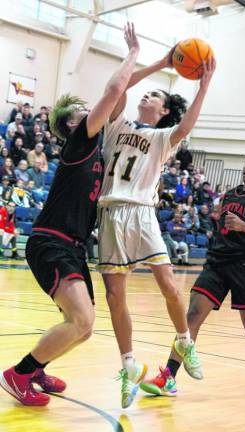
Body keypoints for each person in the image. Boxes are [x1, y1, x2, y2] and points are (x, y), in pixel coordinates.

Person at [0, 23, 140, 407]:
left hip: (72, 246)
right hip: (53, 241)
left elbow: (120, 96)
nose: (95, 111)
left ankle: (37, 368)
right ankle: (19, 374)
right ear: (72, 124)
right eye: (85, 111)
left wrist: (160, 62)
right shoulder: (80, 142)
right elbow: (114, 91)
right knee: (82, 321)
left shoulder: (94, 146)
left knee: (83, 329)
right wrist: (132, 53)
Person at [141, 149, 245, 398]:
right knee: (192, 316)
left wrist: (244, 226)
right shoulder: (230, 196)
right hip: (217, 264)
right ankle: (168, 377)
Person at [97, 51, 216, 408]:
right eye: (145, 95)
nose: (146, 97)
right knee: (115, 297)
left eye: (154, 96)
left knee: (168, 285)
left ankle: (185, 341)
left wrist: (204, 86)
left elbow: (186, 126)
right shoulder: (118, 123)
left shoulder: (164, 137)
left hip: (143, 213)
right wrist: (160, 64)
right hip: (111, 212)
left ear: (163, 110)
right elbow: (120, 86)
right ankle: (128, 366)